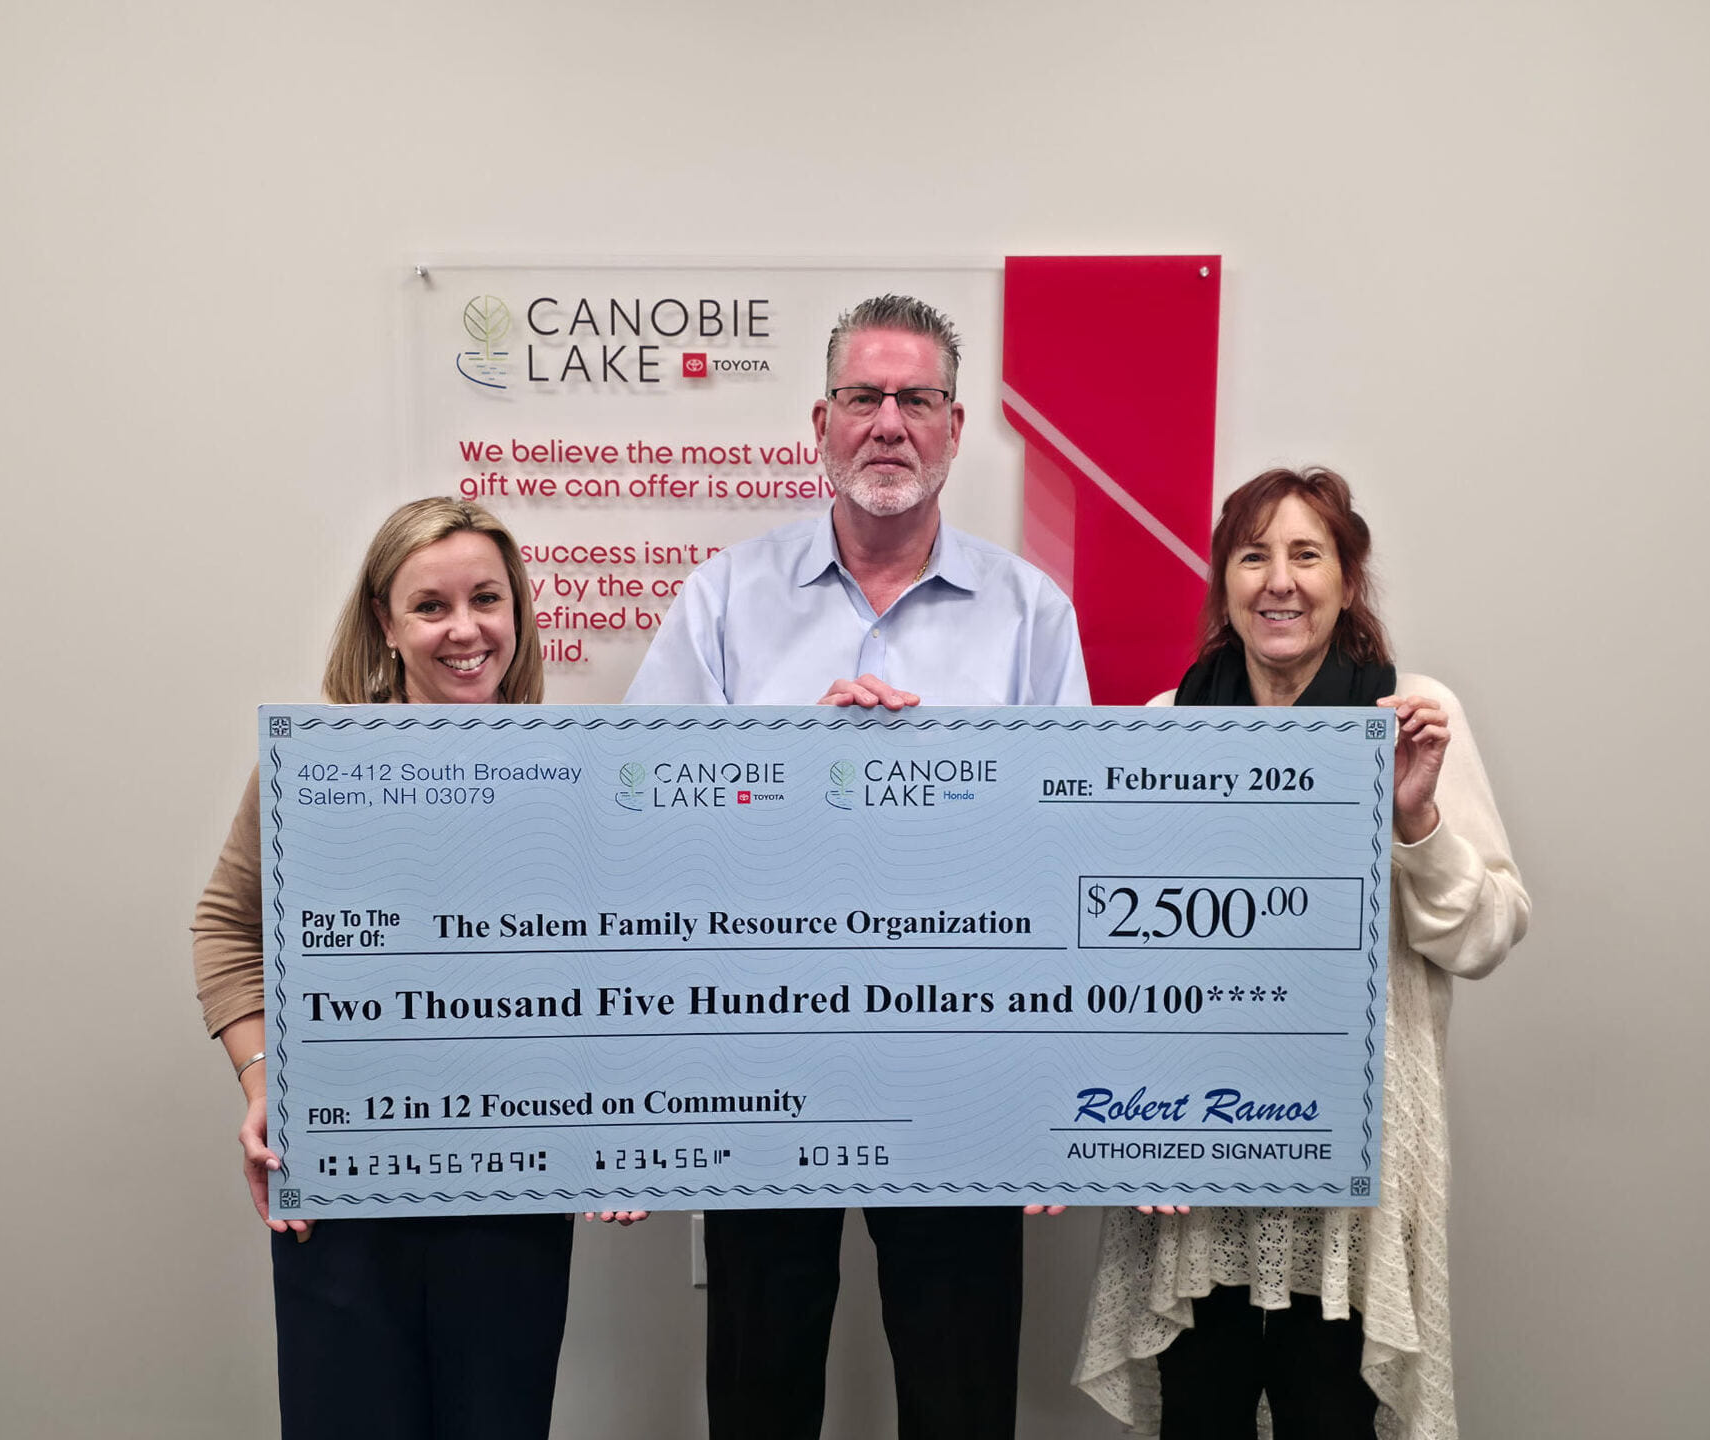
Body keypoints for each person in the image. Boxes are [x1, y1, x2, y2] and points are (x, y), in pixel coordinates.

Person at [625, 295, 1089, 1440]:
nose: (889, 423)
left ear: (956, 426)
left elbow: (1064, 853)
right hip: (762, 1050)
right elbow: (644, 818)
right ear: (820, 424)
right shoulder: (723, 600)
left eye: (916, 399)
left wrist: (936, 784)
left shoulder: (1030, 615)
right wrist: (795, 771)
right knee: (759, 1386)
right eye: (864, 398)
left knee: (960, 1391)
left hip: (961, 1057)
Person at [1072, 467, 1530, 1440]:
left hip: (1347, 1196)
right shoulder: (1165, 725)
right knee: (1200, 1416)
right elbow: (1121, 958)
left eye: (1306, 555)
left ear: (1347, 581)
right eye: (1253, 556)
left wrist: (1416, 821)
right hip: (1198, 1184)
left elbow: (1485, 935)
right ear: (1224, 584)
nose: (1279, 580)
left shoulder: (1407, 716)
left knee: (1331, 1417)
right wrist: (1123, 1126)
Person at [191, 497, 581, 1440]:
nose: (465, 630)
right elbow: (228, 928)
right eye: (430, 606)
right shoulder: (317, 767)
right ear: (385, 622)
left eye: (486, 598)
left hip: (511, 1195)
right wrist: (264, 1081)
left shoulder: (577, 774)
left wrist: (625, 1129)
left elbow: (639, 961)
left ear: (518, 610)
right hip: (346, 1189)